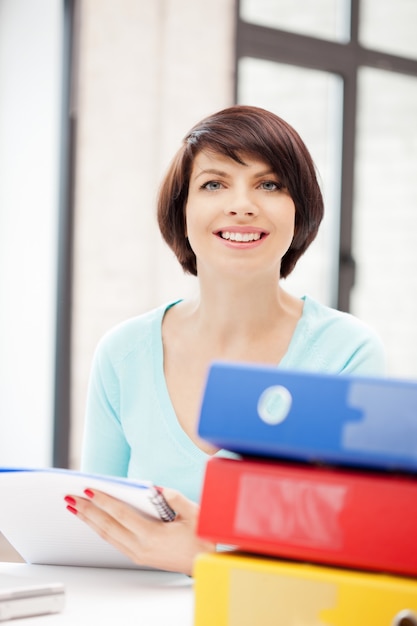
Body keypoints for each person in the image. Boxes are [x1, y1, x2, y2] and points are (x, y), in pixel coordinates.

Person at [64, 105, 386, 575]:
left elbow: (358, 542)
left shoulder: (346, 353)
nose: (242, 204)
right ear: (183, 209)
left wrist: (211, 558)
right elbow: (99, 530)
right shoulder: (123, 353)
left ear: (301, 210)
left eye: (269, 184)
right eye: (214, 184)